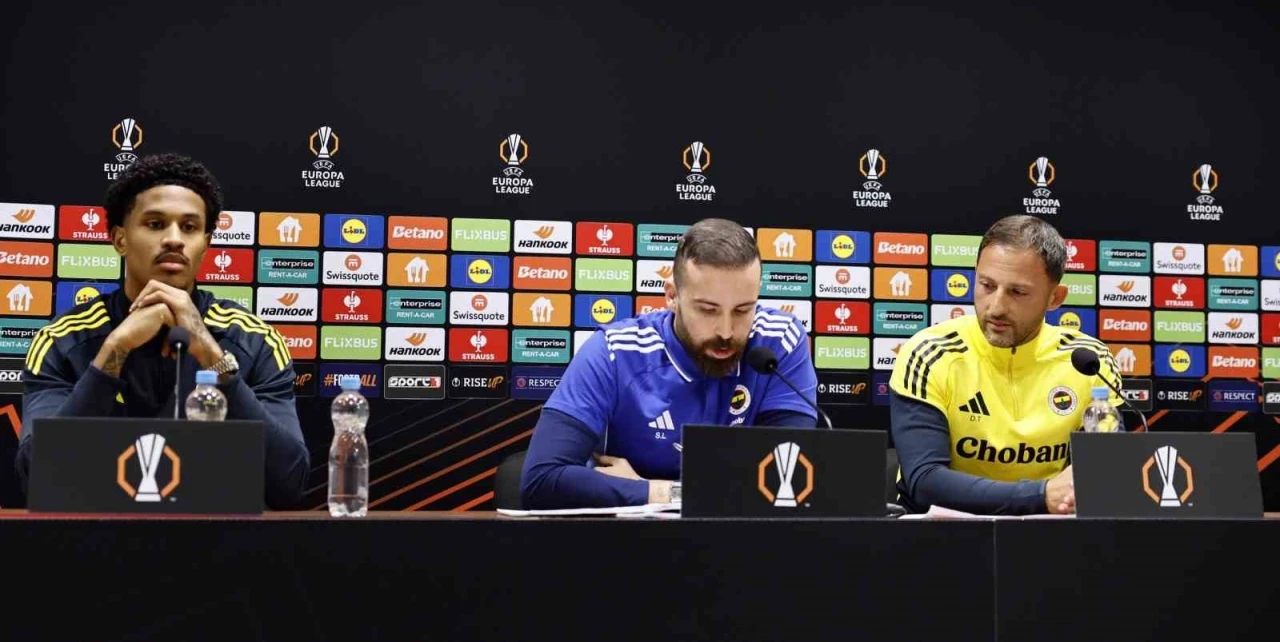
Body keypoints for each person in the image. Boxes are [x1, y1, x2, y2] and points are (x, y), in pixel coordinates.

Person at [16, 153, 309, 509]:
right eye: (155, 224)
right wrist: (116, 348)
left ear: (206, 243)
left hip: (219, 539)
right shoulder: (64, 340)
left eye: (189, 227)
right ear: (120, 239)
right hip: (98, 539)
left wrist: (211, 355)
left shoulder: (254, 340)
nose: (173, 239)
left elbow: (289, 484)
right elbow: (35, 477)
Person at [521, 218, 818, 509]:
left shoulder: (779, 341)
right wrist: (670, 494)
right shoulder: (614, 351)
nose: (726, 332)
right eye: (708, 310)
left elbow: (788, 479)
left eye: (742, 310)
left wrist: (658, 491)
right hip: (628, 537)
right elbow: (541, 479)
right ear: (672, 296)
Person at [889, 215, 1125, 516]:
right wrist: (1041, 495)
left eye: (1018, 292)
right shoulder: (929, 354)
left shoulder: (1091, 362)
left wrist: (1057, 496)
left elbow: (1105, 472)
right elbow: (925, 482)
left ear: (1055, 298)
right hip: (942, 532)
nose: (997, 307)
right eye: (987, 285)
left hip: (1054, 531)